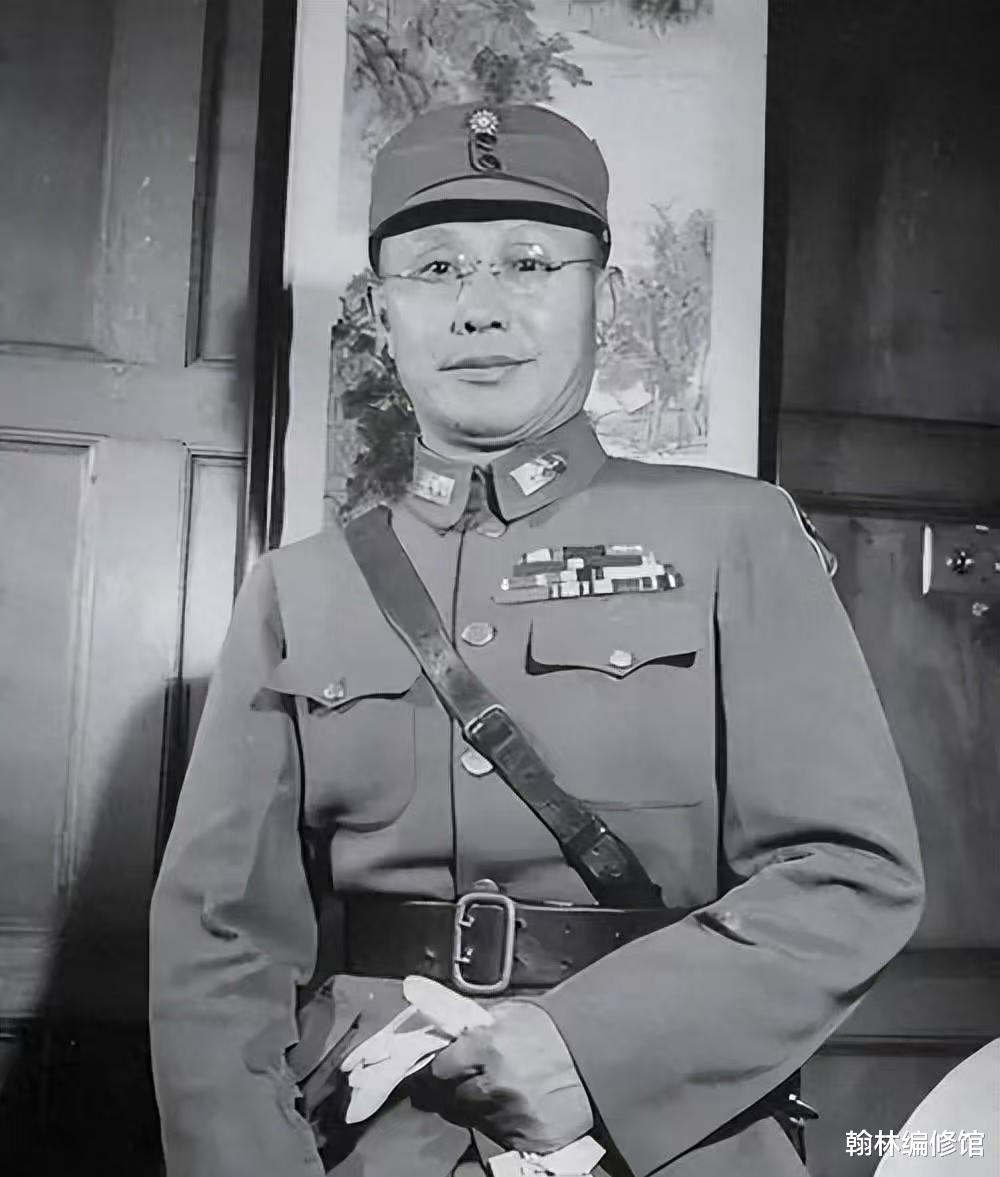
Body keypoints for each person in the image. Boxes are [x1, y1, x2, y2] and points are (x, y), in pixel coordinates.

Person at [149, 102, 925, 1177]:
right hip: (372, 1136)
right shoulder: (300, 587)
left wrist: (589, 1049)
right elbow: (217, 944)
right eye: (434, 269)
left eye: (528, 263)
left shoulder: (735, 534)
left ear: (603, 295)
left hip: (669, 1138)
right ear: (379, 313)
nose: (479, 309)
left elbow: (850, 871)